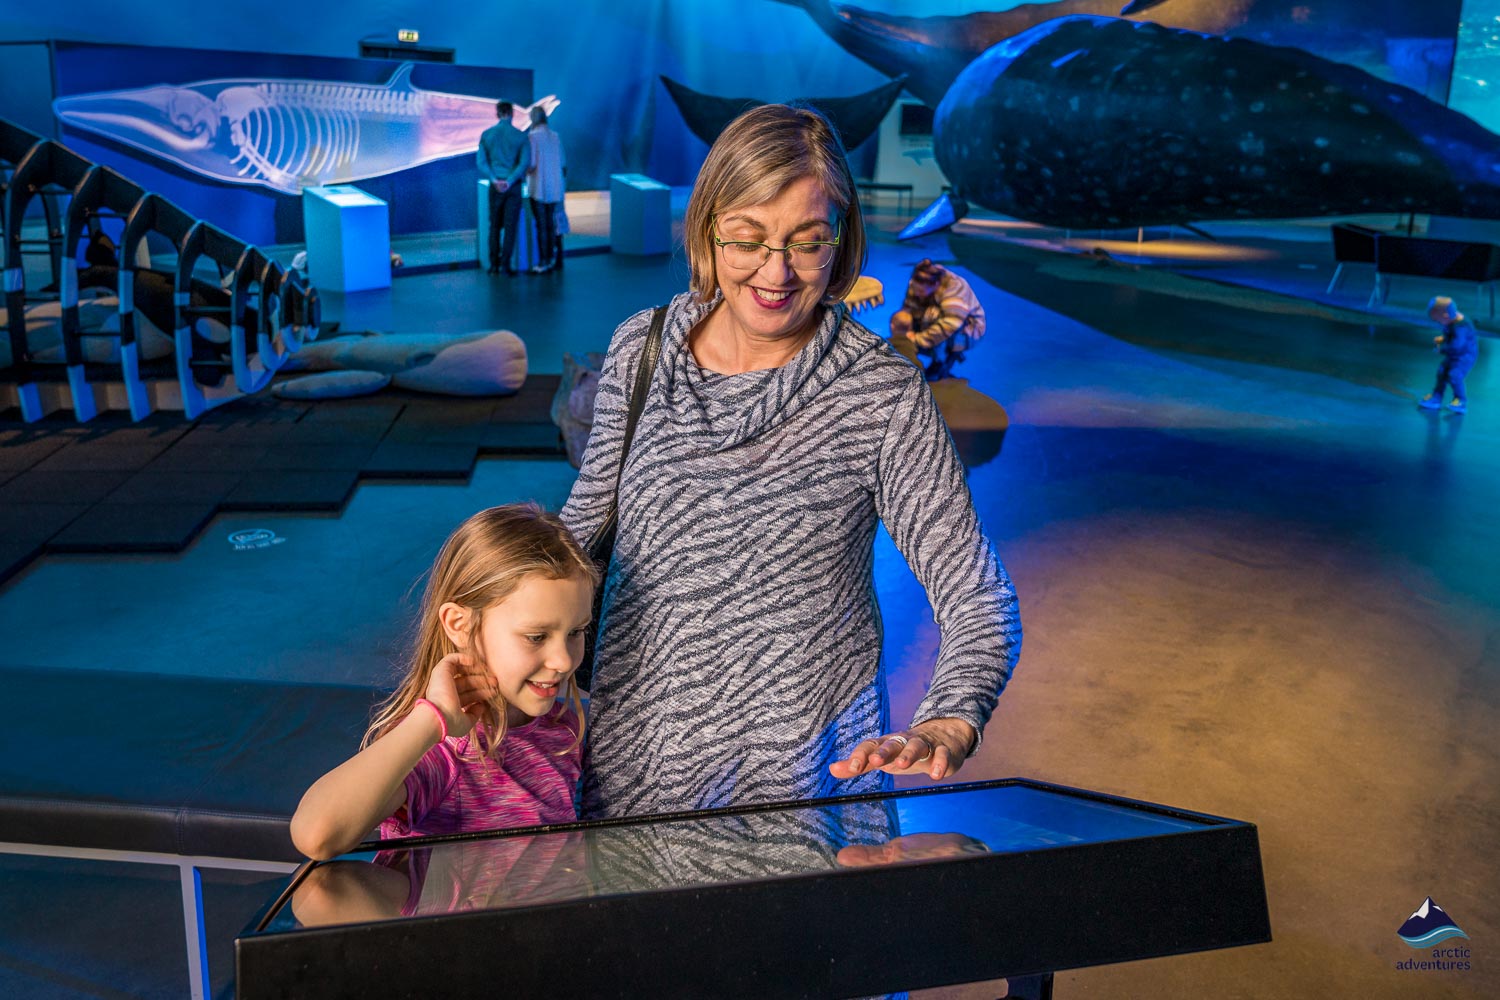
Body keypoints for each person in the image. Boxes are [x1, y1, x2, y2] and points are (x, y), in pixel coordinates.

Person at [561, 103, 1021, 820]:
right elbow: (580, 537)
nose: (774, 273)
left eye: (807, 242)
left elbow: (974, 590)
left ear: (841, 242)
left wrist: (950, 716)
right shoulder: (641, 349)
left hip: (804, 794)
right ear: (708, 231)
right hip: (633, 781)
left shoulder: (879, 394)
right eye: (747, 239)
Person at [289, 504, 596, 860]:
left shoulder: (563, 728)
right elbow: (316, 835)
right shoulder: (444, 751)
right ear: (459, 625)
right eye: (537, 636)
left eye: (576, 631)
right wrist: (430, 722)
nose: (563, 660)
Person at [889, 258, 986, 381]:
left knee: (932, 314)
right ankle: (907, 357)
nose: (916, 293)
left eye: (921, 291)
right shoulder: (917, 281)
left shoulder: (955, 289)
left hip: (968, 330)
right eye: (914, 288)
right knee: (902, 318)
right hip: (934, 321)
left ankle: (940, 362)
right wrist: (901, 336)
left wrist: (915, 339)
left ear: (935, 285)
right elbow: (908, 309)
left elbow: (950, 324)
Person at [476, 101, 532, 276]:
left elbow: (481, 162)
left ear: (497, 113)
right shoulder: (520, 136)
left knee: (494, 226)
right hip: (513, 186)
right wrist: (509, 180)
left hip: (495, 186)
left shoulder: (487, 134)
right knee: (510, 226)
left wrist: (494, 179)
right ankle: (506, 264)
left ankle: (494, 265)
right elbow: (524, 163)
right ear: (512, 113)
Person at [1419, 296, 1479, 414]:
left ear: (1445, 316)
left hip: (1464, 357)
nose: (1439, 323)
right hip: (1454, 355)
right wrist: (1442, 338)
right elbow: (1449, 335)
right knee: (1442, 372)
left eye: (1438, 320)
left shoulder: (1461, 327)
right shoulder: (1451, 321)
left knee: (1455, 375)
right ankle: (1436, 397)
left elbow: (1457, 346)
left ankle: (1460, 400)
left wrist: (1442, 349)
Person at [526, 106, 566, 274]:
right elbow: (563, 163)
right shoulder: (555, 136)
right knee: (552, 225)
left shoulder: (532, 137)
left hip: (539, 188)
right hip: (555, 188)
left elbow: (532, 164)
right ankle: (553, 259)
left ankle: (543, 261)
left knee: (542, 226)